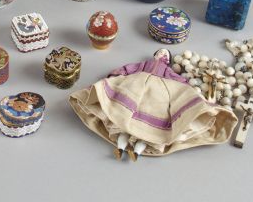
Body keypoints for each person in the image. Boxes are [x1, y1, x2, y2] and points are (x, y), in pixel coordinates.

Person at [69, 49, 238, 160]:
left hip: (159, 94)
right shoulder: (145, 65)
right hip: (136, 84)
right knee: (123, 120)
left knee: (149, 126)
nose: (161, 56)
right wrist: (117, 75)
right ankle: (120, 148)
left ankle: (136, 151)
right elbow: (129, 69)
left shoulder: (168, 71)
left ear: (168, 60)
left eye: (164, 55)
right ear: (155, 55)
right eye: (160, 53)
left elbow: (180, 82)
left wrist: (189, 90)